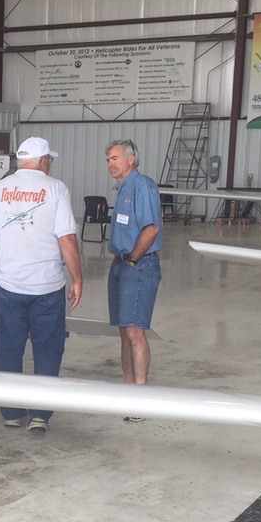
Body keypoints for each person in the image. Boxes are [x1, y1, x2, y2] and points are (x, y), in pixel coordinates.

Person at [0, 136, 83, 433]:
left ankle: (11, 412)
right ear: (43, 161)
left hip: (9, 285)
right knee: (47, 350)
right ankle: (40, 415)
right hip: (47, 287)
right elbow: (67, 238)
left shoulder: (0, 187)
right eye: (49, 160)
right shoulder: (56, 188)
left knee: (10, 348)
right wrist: (77, 278)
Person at [104, 139, 162, 415]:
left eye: (115, 158)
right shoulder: (123, 189)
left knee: (134, 331)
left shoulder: (142, 186)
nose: (110, 164)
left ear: (131, 160)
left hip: (138, 265)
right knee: (124, 331)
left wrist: (132, 260)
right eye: (108, 160)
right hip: (121, 264)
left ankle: (140, 396)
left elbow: (152, 229)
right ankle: (128, 389)